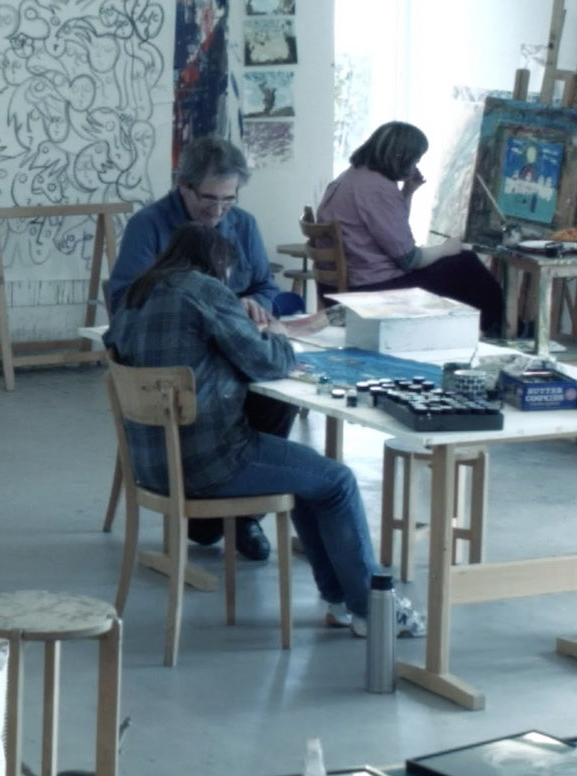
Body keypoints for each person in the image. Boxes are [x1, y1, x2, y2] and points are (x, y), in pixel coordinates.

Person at [108, 225, 423, 637]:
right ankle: (372, 609)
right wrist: (276, 334)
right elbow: (268, 364)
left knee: (311, 479)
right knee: (337, 481)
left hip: (151, 465)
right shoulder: (204, 290)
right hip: (208, 460)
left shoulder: (134, 297)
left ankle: (345, 604)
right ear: (217, 265)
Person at [108, 138, 307, 561]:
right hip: (186, 358)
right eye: (208, 199)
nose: (217, 212)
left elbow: (265, 286)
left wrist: (257, 305)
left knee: (280, 399)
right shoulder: (150, 224)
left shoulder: (245, 224)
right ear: (183, 185)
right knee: (260, 385)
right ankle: (213, 501)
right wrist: (208, 304)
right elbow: (125, 296)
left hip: (234, 348)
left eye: (228, 201)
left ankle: (241, 514)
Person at [314, 121, 507, 337]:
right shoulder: (376, 189)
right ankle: (498, 333)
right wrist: (446, 248)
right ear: (400, 157)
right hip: (370, 289)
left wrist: (407, 193)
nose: (415, 166)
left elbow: (389, 230)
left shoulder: (353, 176)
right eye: (415, 159)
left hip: (339, 286)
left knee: (454, 264)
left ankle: (471, 331)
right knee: (465, 265)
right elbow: (408, 258)